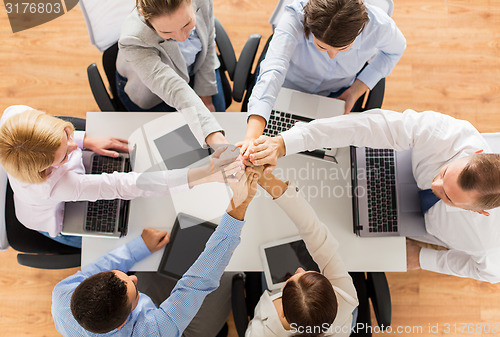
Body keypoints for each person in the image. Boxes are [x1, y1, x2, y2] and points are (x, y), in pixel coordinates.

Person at [246, 108, 500, 283]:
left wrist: (424, 258)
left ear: (479, 211)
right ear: (476, 151)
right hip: (396, 164)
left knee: (335, 238)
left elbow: (488, 273)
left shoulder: (489, 243)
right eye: (444, 172)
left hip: (416, 225)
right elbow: (366, 125)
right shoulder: (450, 135)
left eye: (447, 196)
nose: (435, 184)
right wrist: (284, 143)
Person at [51, 168, 259, 336]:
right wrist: (238, 206)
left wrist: (140, 246)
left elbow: (101, 267)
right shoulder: (156, 332)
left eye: (122, 276)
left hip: (148, 312)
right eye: (134, 293)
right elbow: (198, 283)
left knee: (161, 261)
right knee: (230, 272)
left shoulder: (62, 295)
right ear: (123, 325)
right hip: (179, 331)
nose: (133, 278)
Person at [0, 105, 242, 247]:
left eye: (66, 134)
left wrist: (85, 139)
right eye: (64, 156)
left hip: (45, 187)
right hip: (53, 217)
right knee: (109, 241)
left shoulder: (14, 115)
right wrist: (206, 173)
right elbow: (128, 184)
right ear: (44, 170)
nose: (74, 148)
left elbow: (69, 144)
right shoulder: (55, 186)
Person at [238, 0, 406, 156]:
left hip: (337, 95)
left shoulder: (379, 26)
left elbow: (395, 51)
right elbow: (273, 70)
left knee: (330, 157)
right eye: (321, 46)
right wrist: (251, 138)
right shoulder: (294, 16)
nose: (332, 56)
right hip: (286, 89)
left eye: (343, 48)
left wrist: (356, 90)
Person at [244, 168, 358, 337]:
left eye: (293, 277)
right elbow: (315, 232)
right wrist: (267, 180)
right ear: (336, 300)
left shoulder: (258, 333)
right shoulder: (346, 296)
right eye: (305, 273)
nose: (299, 269)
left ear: (282, 312)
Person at [116, 0, 227, 147]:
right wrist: (211, 134)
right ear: (144, 14)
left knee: (220, 120)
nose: (182, 38)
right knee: (179, 148)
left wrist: (205, 97)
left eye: (187, 24)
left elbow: (208, 42)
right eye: (166, 32)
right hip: (152, 91)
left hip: (192, 68)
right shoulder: (133, 38)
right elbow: (172, 87)